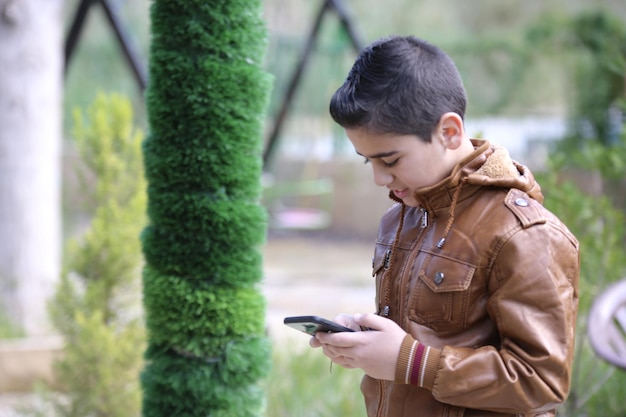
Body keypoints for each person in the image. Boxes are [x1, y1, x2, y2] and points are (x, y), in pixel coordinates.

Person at [310, 35, 580, 417]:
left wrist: (412, 361)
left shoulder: (525, 234)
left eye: (390, 160)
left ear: (449, 132)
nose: (378, 179)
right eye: (366, 161)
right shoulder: (401, 217)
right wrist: (363, 338)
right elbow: (418, 338)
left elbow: (541, 382)